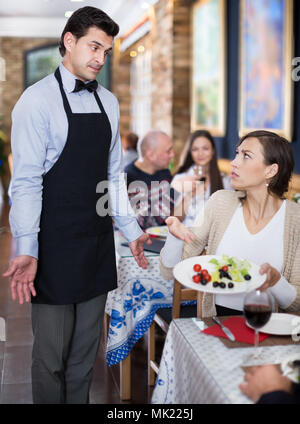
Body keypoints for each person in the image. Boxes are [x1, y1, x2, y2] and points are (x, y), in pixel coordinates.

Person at [2, 6, 150, 404]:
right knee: (50, 357)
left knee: (86, 357)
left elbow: (113, 178)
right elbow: (27, 184)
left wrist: (132, 232)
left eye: (106, 50)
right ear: (69, 42)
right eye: (94, 47)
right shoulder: (35, 102)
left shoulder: (110, 103)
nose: (101, 59)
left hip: (98, 244)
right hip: (53, 247)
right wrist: (27, 249)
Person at [160, 130, 300, 317]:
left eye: (246, 156)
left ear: (271, 170)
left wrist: (276, 281)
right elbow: (170, 270)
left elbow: (295, 304)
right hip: (215, 322)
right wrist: (175, 236)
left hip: (268, 329)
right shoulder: (219, 202)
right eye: (237, 153)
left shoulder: (295, 219)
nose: (234, 162)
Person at [171, 130, 232, 226]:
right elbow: (174, 219)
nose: (200, 153)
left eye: (205, 148)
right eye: (195, 149)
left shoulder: (225, 180)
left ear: (213, 151)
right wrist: (189, 196)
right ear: (190, 152)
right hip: (186, 235)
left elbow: (228, 216)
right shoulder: (181, 179)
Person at [124, 130, 177, 230]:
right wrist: (175, 190)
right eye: (168, 151)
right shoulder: (129, 177)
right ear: (151, 155)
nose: (172, 155)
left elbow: (170, 213)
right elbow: (146, 222)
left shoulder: (164, 172)